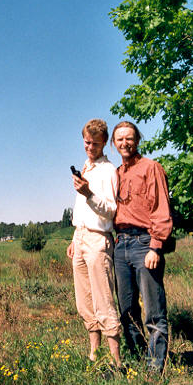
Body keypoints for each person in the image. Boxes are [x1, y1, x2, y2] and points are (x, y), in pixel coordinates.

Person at [112, 121, 173, 374]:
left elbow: (161, 209)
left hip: (144, 242)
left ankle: (155, 368)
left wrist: (155, 247)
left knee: (153, 311)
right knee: (126, 309)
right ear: (114, 144)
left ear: (137, 140)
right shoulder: (115, 173)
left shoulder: (151, 168)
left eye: (129, 138)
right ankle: (137, 361)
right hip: (121, 244)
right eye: (119, 139)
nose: (124, 143)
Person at [67, 119, 122, 368]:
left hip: (98, 239)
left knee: (103, 299)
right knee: (84, 301)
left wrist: (89, 194)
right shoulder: (86, 168)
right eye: (87, 142)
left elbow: (111, 211)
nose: (90, 147)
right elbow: (82, 209)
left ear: (104, 144)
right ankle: (94, 354)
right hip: (80, 237)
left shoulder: (108, 170)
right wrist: (74, 237)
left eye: (96, 144)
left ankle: (115, 361)